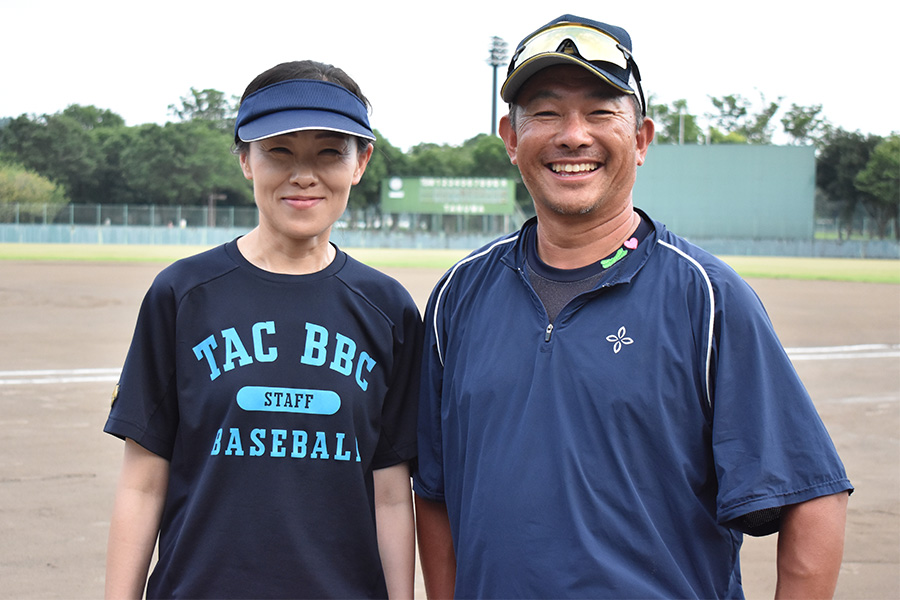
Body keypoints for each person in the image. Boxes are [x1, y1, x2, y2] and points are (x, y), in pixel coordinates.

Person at [413, 14, 852, 599]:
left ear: (641, 139)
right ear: (512, 140)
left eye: (600, 112)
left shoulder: (708, 297)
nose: (573, 135)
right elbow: (435, 493)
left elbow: (812, 497)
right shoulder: (458, 296)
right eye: (545, 112)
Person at [104, 60, 421, 599]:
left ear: (360, 162)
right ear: (246, 160)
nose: (304, 174)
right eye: (279, 150)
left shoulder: (387, 309)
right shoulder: (182, 295)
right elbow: (142, 482)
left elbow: (391, 493)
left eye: (329, 151)